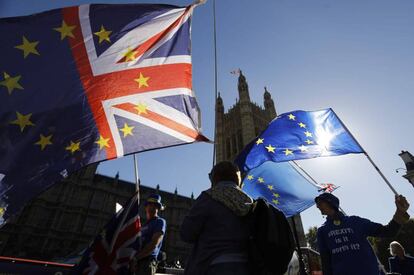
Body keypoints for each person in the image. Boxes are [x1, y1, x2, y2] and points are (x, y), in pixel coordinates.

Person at [180, 161, 253, 275]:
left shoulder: (208, 197)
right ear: (237, 179)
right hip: (245, 266)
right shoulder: (249, 202)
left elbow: (186, 233)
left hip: (211, 264)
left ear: (216, 177)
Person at [315, 193, 410, 275]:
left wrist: (400, 212)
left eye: (320, 202)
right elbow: (326, 262)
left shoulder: (355, 221)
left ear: (330, 202)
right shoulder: (322, 230)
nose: (317, 206)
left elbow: (388, 231)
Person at [131, 194, 166, 275]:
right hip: (136, 262)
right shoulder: (143, 225)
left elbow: (154, 244)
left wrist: (136, 258)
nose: (152, 207)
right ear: (146, 207)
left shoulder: (160, 222)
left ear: (158, 208)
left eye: (155, 205)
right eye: (150, 204)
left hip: (147, 262)